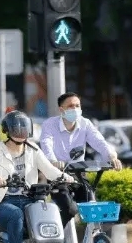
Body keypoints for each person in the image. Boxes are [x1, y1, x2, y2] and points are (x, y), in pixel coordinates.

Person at [0, 111, 73, 243]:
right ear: (7, 131)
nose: (21, 133)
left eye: (24, 129)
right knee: (15, 215)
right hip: (4, 201)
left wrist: (65, 177)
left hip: (30, 199)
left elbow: (49, 170)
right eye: (16, 129)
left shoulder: (33, 150)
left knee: (49, 212)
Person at [39, 92, 121, 227]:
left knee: (92, 207)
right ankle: (55, 234)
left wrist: (112, 156)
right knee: (69, 209)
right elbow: (46, 144)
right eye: (71, 106)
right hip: (58, 174)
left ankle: (92, 239)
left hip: (79, 174)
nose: (75, 109)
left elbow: (99, 141)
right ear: (61, 110)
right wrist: (53, 161)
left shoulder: (85, 123)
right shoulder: (50, 124)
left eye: (77, 105)